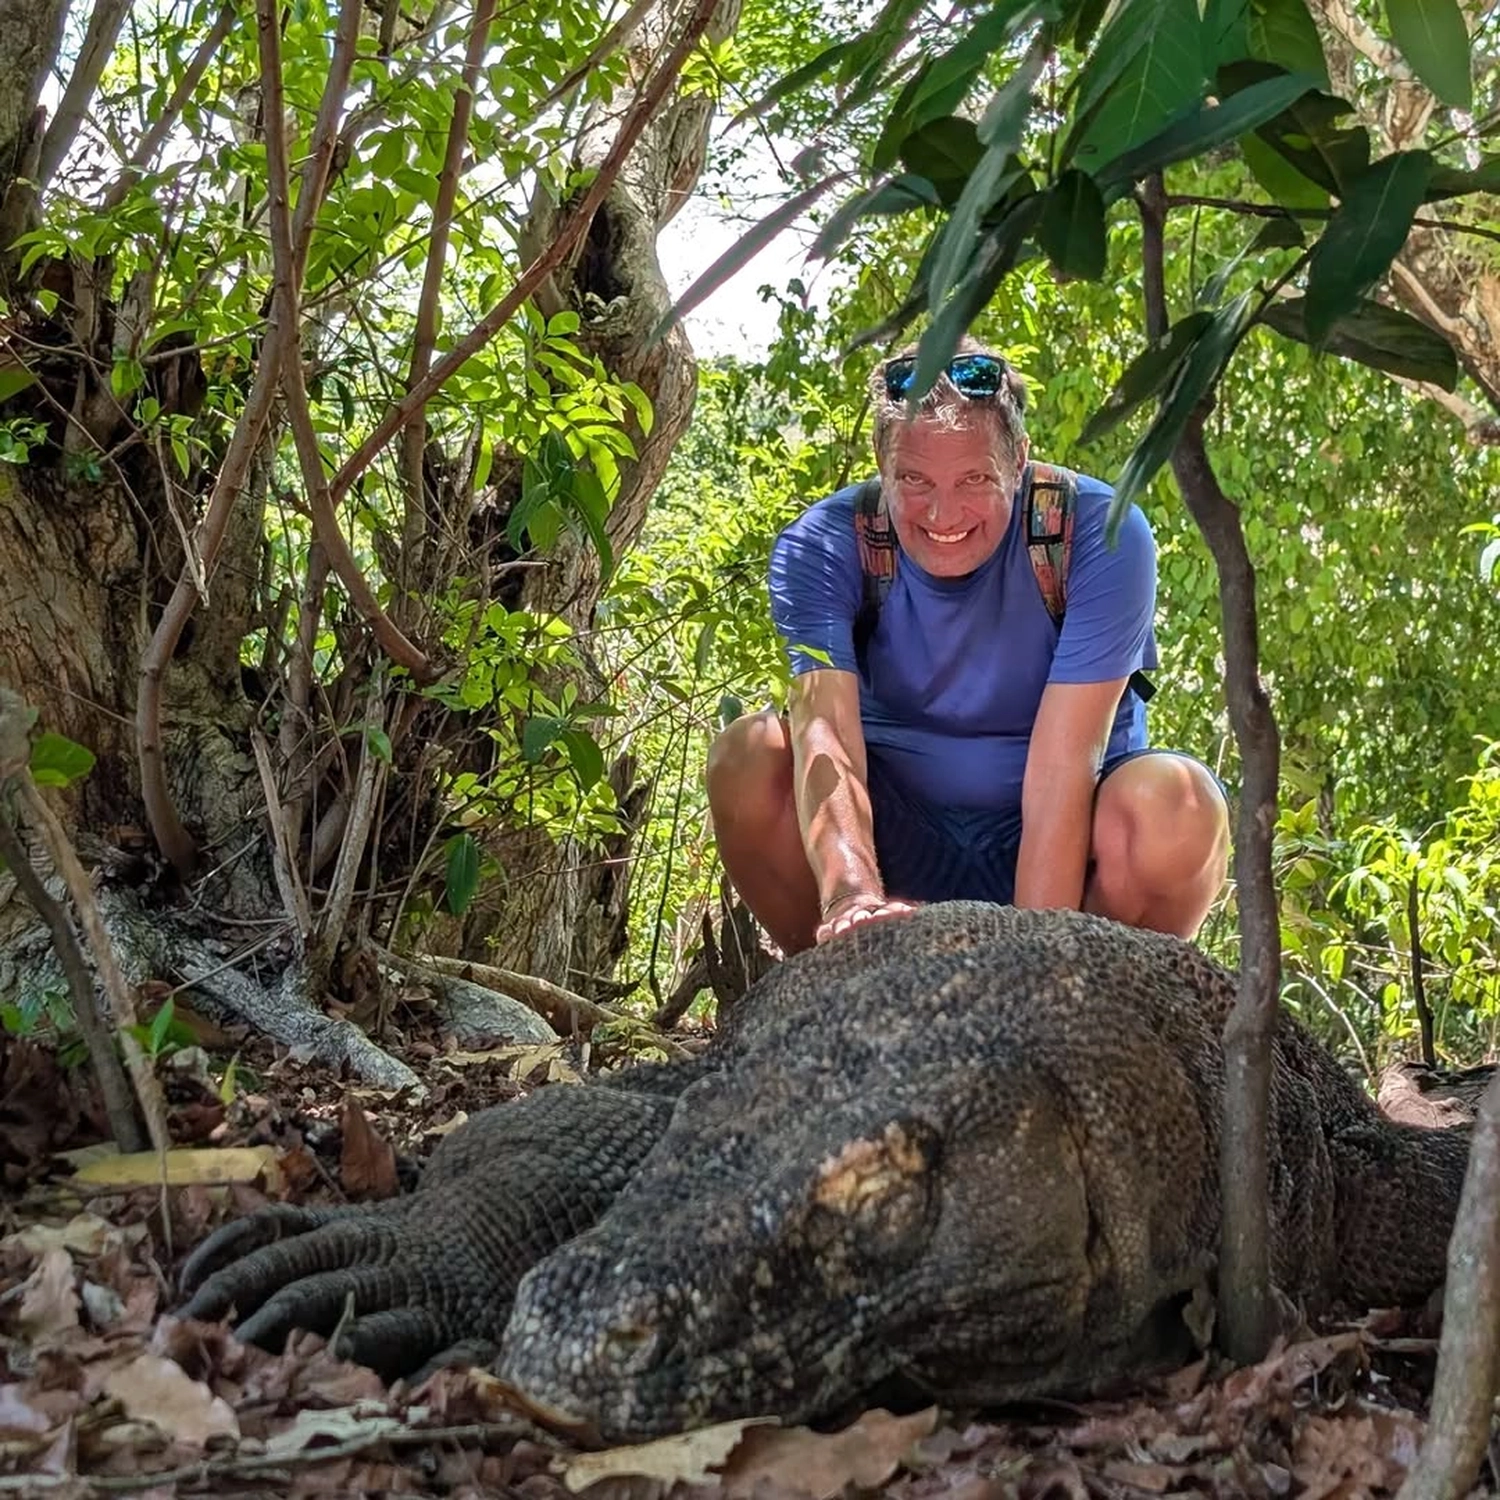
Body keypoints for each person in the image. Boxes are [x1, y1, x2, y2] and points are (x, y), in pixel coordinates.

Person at [704, 341, 1230, 954]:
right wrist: (853, 898)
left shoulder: (1096, 532)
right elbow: (826, 735)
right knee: (747, 756)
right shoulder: (823, 543)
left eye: (975, 478)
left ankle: (1092, 994)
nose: (943, 511)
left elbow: (1063, 769)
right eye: (915, 479)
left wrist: (1026, 962)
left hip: (1063, 832)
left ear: (1020, 460)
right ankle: (837, 978)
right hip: (896, 834)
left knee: (1177, 808)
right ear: (881, 462)